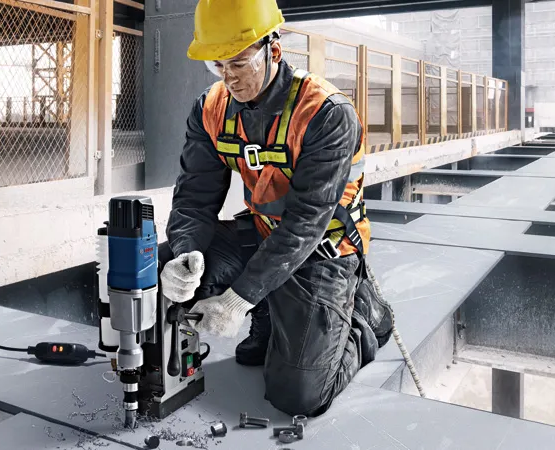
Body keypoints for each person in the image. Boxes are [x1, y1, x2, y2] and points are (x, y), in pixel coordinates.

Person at [157, 0, 394, 417]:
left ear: (273, 50)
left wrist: (238, 299)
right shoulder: (210, 109)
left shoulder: (325, 113)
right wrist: (185, 252)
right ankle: (271, 307)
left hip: (323, 247)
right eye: (217, 66)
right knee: (160, 268)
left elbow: (306, 224)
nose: (228, 78)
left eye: (238, 63)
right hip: (264, 233)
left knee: (298, 395)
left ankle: (363, 321)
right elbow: (194, 197)